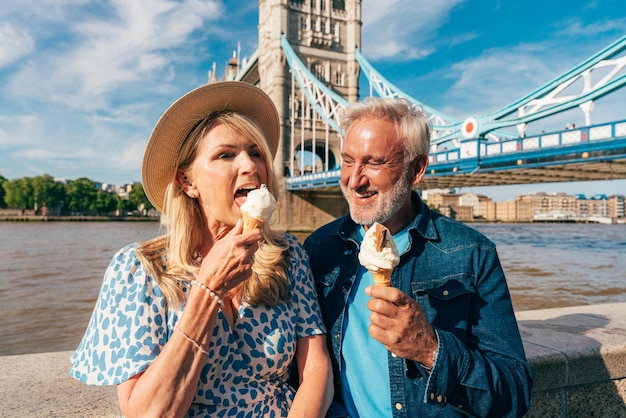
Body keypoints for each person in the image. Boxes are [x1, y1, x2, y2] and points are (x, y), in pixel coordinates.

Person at [70, 81, 333, 417]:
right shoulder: (140, 269)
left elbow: (315, 367)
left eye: (255, 152)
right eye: (226, 155)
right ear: (187, 182)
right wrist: (206, 291)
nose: (250, 166)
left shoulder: (288, 255)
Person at [304, 97, 533, 417]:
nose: (354, 180)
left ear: (417, 169)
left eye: (374, 163)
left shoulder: (473, 254)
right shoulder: (318, 250)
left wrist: (430, 349)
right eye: (347, 160)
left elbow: (515, 392)